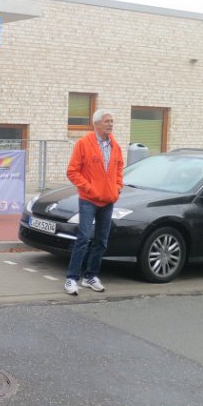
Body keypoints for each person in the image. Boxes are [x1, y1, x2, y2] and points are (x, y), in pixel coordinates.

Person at [64, 109, 124, 295]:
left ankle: (90, 276)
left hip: (108, 200)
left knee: (101, 240)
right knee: (83, 238)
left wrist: (117, 187)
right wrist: (89, 188)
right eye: (107, 121)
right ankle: (71, 278)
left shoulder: (115, 146)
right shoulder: (83, 143)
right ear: (96, 124)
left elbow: (119, 168)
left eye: (112, 121)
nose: (111, 124)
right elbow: (72, 171)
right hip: (88, 200)